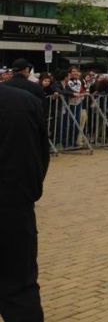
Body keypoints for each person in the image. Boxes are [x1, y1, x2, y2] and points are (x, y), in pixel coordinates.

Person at [0, 82, 49, 322]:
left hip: (15, 205)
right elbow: (40, 156)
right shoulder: (25, 102)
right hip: (15, 208)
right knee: (19, 289)